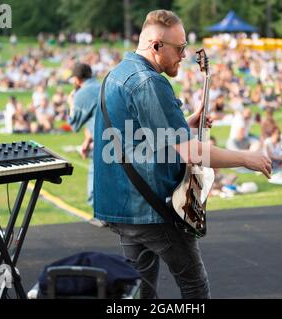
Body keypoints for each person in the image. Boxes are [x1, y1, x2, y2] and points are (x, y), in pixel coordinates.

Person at [93, 9, 271, 299]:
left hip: (124, 207)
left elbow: (135, 134)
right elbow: (192, 151)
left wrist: (183, 121)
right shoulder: (149, 81)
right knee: (194, 286)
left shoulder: (117, 73)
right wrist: (245, 158)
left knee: (140, 290)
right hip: (153, 207)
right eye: (180, 48)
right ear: (156, 46)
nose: (184, 55)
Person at [67, 63, 101, 207]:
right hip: (121, 138)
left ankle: (99, 214)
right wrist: (87, 141)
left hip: (103, 144)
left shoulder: (82, 93)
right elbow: (97, 118)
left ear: (76, 79)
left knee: (96, 178)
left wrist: (71, 104)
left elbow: (74, 124)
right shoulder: (101, 85)